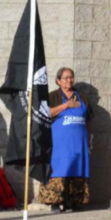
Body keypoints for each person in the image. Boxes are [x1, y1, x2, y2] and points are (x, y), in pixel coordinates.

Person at [37, 68, 91, 211]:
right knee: (58, 170)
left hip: (78, 144)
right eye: (66, 78)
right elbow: (44, 113)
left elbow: (88, 119)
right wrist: (66, 105)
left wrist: (89, 140)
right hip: (58, 144)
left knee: (76, 170)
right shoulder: (52, 96)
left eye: (71, 77)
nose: (69, 80)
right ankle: (54, 203)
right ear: (58, 81)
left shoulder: (83, 98)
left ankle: (73, 202)